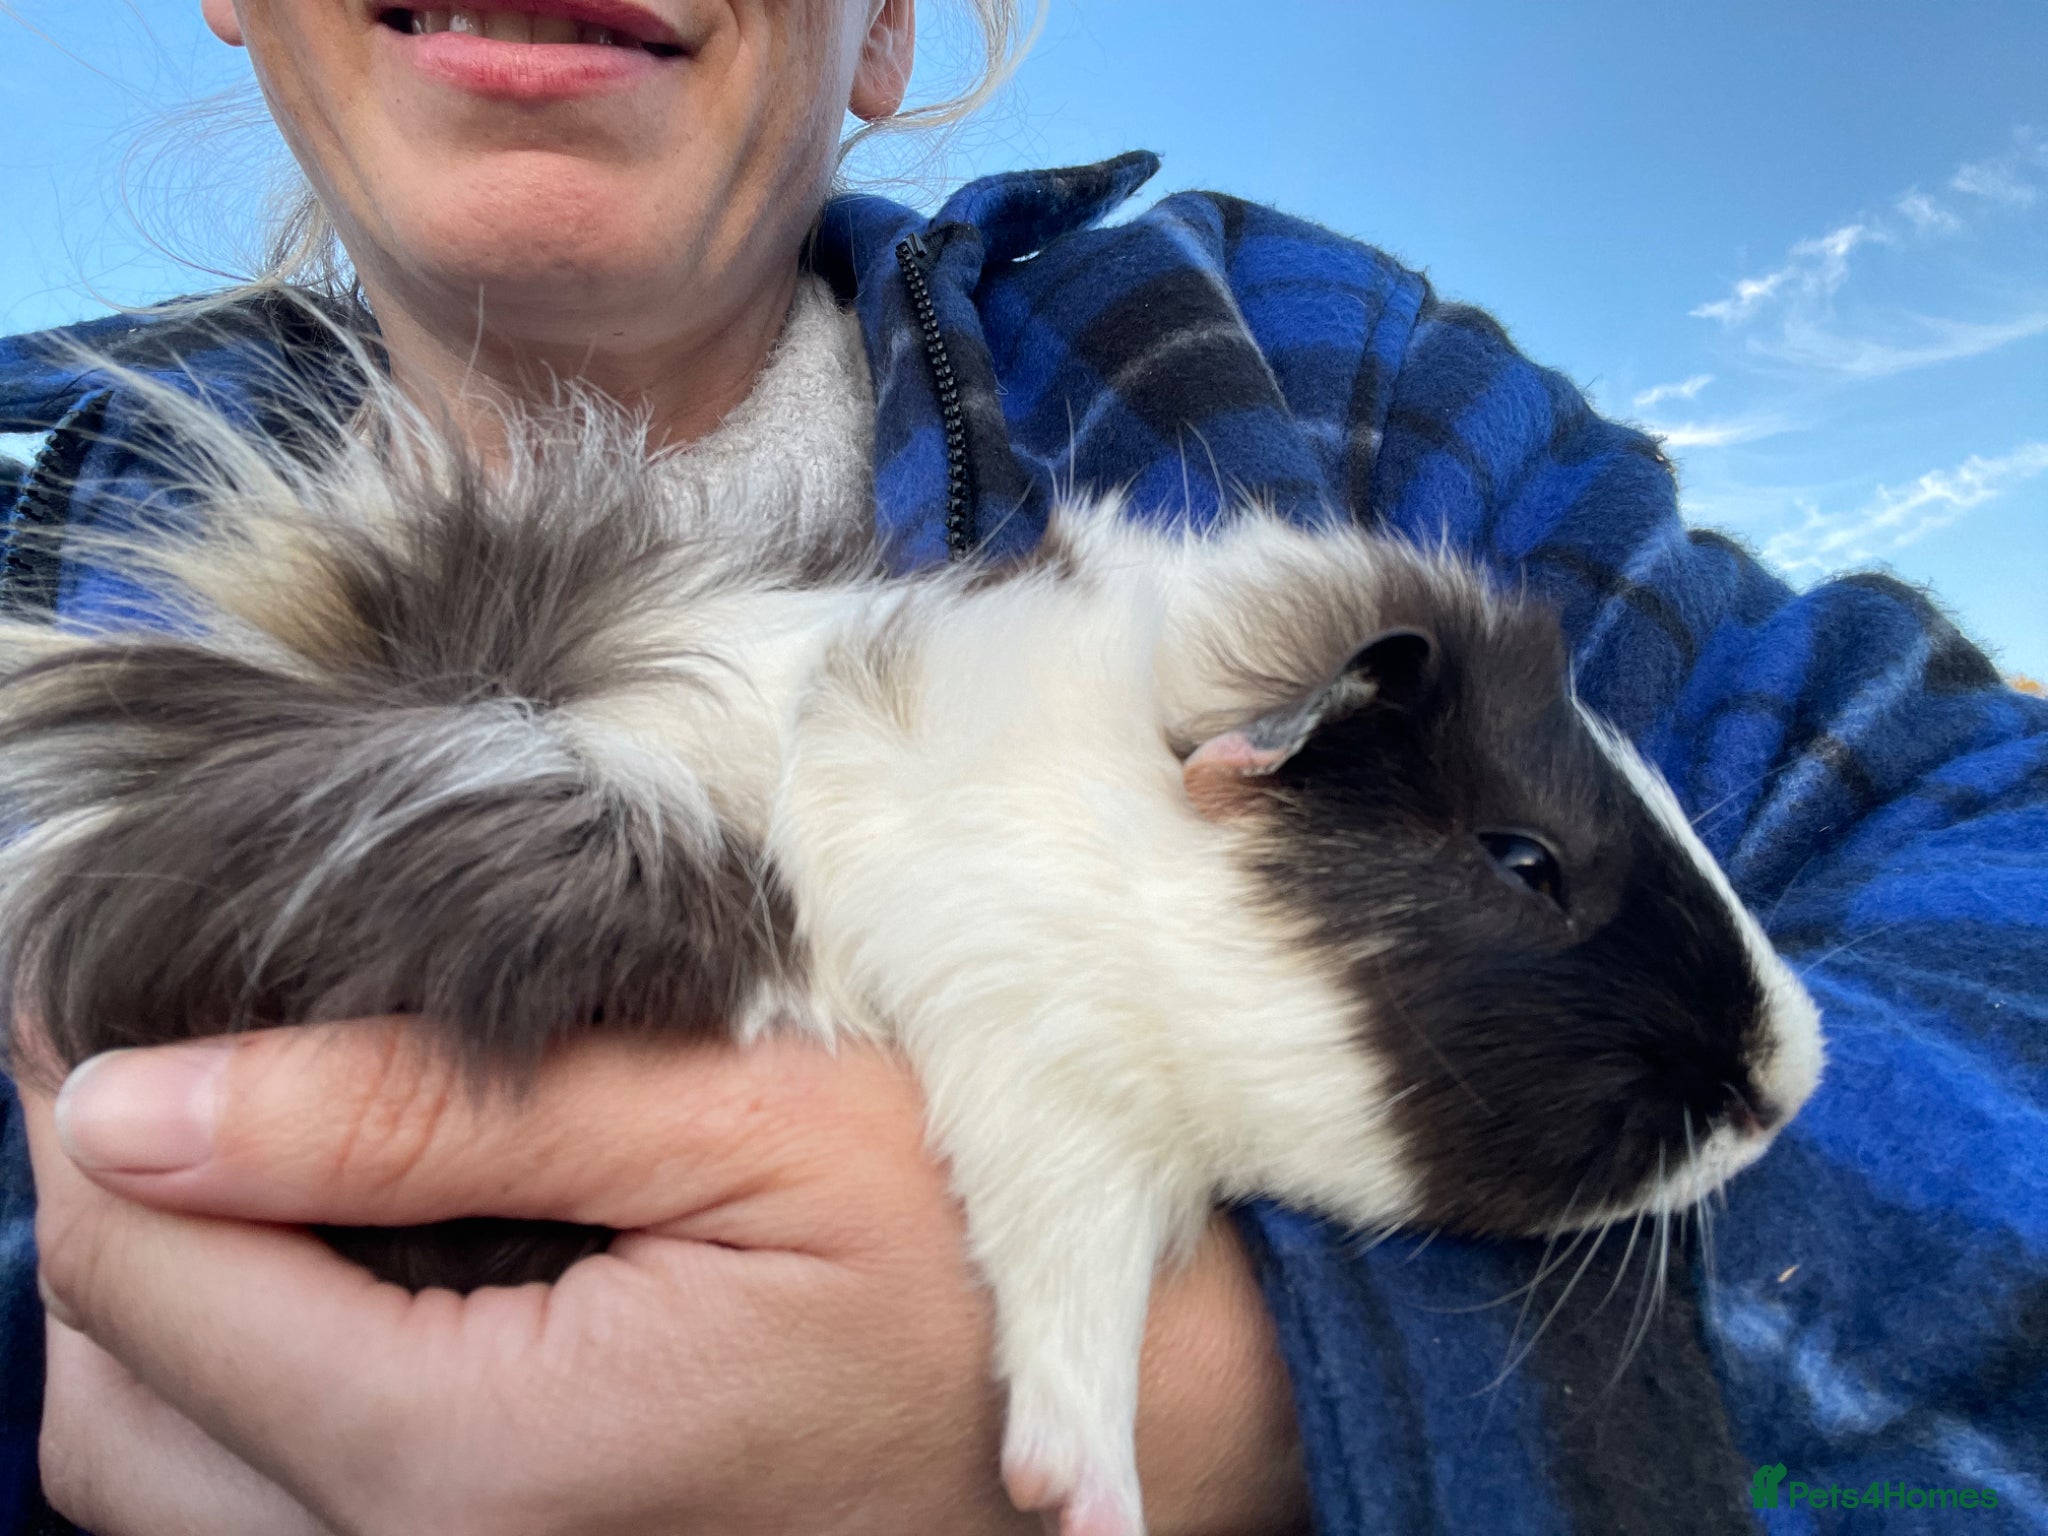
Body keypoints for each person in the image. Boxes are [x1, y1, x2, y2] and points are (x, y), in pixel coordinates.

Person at [1, 2, 2042, 1532]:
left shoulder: (1319, 392)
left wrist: (1299, 1373)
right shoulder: (42, 563)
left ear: (886, 27)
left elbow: (1991, 856)